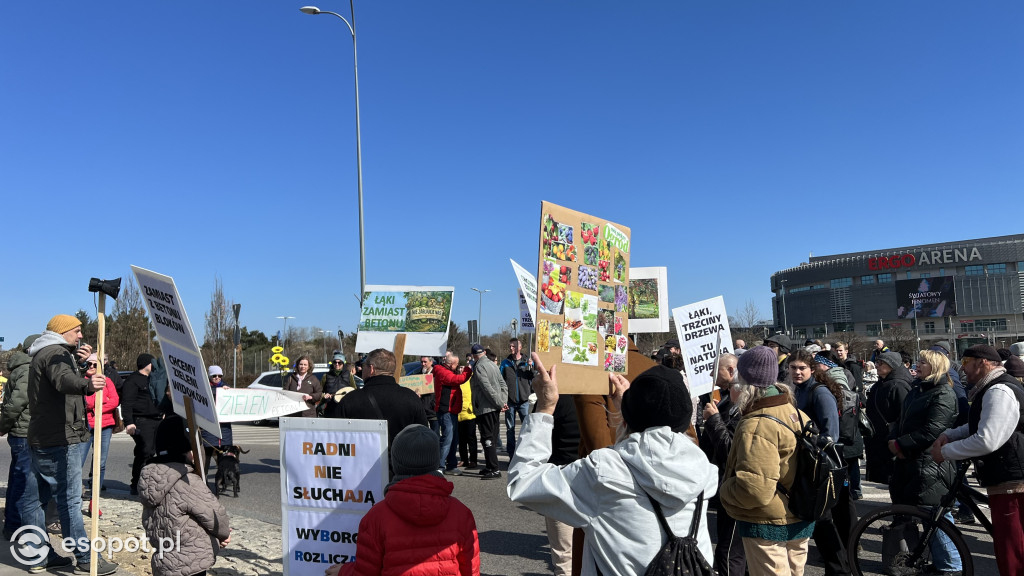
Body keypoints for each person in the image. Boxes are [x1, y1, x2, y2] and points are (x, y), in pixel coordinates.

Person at [508, 354, 717, 575]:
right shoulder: (704, 470)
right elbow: (649, 457)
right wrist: (626, 412)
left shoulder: (604, 472)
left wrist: (545, 408)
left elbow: (523, 482)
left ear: (627, 419)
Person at [25, 314, 118, 575]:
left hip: (42, 436)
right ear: (63, 331)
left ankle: (37, 556)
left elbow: (58, 379)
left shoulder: (45, 352)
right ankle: (86, 558)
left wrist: (76, 363)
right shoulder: (55, 352)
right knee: (68, 501)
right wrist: (87, 384)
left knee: (38, 501)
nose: (80, 336)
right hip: (60, 439)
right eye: (76, 331)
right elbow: (62, 381)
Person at [325, 424, 480, 576]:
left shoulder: (376, 517)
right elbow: (471, 569)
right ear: (435, 462)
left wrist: (344, 571)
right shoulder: (461, 513)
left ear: (397, 463)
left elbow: (366, 572)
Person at [932, 344, 1024, 576]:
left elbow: (987, 439)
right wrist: (950, 434)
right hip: (1007, 477)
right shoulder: (991, 388)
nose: (963, 369)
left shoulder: (998, 390)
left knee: (1013, 554)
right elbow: (982, 422)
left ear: (982, 363)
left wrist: (946, 452)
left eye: (965, 362)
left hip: (1012, 482)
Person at [719, 346, 812, 576]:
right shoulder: (794, 411)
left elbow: (754, 490)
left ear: (745, 384)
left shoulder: (757, 424)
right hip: (799, 514)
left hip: (768, 524)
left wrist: (724, 490)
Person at [889, 349, 961, 575]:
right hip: (913, 461)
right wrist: (895, 441)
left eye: (923, 362)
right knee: (930, 515)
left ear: (936, 367)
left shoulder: (943, 393)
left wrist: (901, 444)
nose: (917, 365)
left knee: (937, 514)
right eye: (918, 361)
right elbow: (903, 421)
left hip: (932, 462)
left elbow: (933, 429)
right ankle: (943, 564)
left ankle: (951, 566)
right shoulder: (918, 389)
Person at [140, 415, 231, 576]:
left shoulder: (151, 478)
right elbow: (215, 514)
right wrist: (222, 534)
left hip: (164, 561)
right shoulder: (187, 480)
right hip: (191, 561)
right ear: (188, 450)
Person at [789, 348, 851, 576]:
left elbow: (831, 436)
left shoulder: (820, 392)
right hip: (806, 465)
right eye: (793, 368)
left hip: (820, 466)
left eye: (802, 368)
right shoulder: (796, 390)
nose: (797, 372)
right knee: (818, 521)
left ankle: (839, 570)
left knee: (824, 521)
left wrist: (812, 450)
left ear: (812, 370)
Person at [333, 349, 427, 479]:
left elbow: (336, 441)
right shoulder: (411, 397)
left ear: (371, 369)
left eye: (364, 366)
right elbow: (423, 438)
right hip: (402, 474)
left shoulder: (350, 400)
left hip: (361, 475)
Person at [699, 353, 747, 576]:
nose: (709, 374)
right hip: (726, 485)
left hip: (738, 486)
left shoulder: (743, 406)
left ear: (730, 370)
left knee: (730, 551)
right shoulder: (726, 398)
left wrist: (714, 420)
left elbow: (730, 450)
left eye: (714, 369)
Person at [0, 334, 39, 539]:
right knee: (23, 480)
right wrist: (3, 426)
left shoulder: (22, 368)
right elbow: (16, 403)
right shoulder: (28, 369)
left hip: (22, 432)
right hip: (25, 433)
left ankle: (13, 523)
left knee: (17, 478)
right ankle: (15, 526)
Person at [865, 350, 912, 484]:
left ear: (891, 365)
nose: (877, 365)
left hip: (891, 439)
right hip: (879, 439)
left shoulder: (899, 385)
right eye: (877, 362)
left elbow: (904, 415)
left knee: (894, 478)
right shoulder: (881, 384)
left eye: (881, 363)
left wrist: (897, 439)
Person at [80, 353, 119, 505]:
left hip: (105, 426)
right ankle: (77, 495)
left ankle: (94, 498)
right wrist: (102, 402)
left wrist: (98, 408)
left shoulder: (107, 381)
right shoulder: (82, 382)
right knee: (79, 462)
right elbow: (87, 402)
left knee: (100, 462)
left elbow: (114, 400)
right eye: (88, 364)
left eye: (94, 365)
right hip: (86, 426)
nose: (91, 367)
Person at [123, 353, 162, 495]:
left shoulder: (153, 379)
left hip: (157, 419)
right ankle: (136, 484)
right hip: (141, 420)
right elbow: (127, 403)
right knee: (146, 451)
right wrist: (129, 423)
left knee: (155, 452)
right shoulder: (132, 381)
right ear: (147, 364)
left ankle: (149, 482)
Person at [469, 344, 506, 479]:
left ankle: (494, 468)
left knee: (487, 438)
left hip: (486, 408)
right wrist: (503, 401)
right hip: (494, 407)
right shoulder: (493, 365)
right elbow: (503, 384)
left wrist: (500, 403)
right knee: (492, 437)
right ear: (484, 352)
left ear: (473, 356)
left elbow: (487, 388)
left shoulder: (479, 367)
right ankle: (490, 466)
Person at [433, 350, 473, 474]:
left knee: (453, 439)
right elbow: (457, 379)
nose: (457, 367)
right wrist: (468, 370)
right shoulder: (441, 371)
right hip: (446, 410)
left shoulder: (446, 370)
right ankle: (439, 466)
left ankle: (451, 465)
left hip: (452, 410)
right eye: (456, 365)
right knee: (447, 439)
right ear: (451, 364)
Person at [500, 338, 536, 459]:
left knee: (526, 428)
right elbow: (501, 380)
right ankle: (511, 456)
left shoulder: (527, 362)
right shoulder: (505, 363)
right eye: (510, 346)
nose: (511, 348)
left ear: (519, 347)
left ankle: (526, 454)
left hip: (524, 401)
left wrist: (532, 367)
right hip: (510, 401)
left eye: (513, 346)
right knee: (510, 429)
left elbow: (536, 377)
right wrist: (502, 399)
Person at [200, 366, 233, 478]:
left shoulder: (227, 388)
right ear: (210, 376)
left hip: (225, 430)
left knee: (224, 459)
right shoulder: (204, 388)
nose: (217, 378)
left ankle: (224, 480)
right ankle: (203, 481)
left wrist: (228, 392)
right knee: (206, 458)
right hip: (208, 429)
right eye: (214, 376)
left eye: (219, 375)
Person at [457, 369, 478, 470]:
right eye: (459, 368)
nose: (461, 370)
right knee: (461, 440)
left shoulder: (471, 379)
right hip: (459, 414)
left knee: (471, 438)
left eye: (463, 368)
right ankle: (464, 459)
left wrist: (472, 406)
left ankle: (473, 460)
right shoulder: (457, 379)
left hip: (470, 414)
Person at [415, 356, 439, 434]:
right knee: (422, 435)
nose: (423, 364)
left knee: (435, 435)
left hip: (433, 411)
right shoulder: (417, 375)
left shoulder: (436, 375)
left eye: (425, 362)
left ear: (431, 362)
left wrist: (434, 404)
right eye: (421, 362)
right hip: (421, 411)